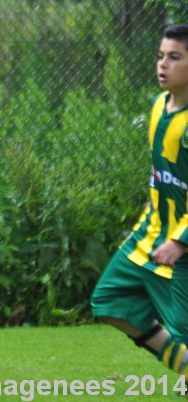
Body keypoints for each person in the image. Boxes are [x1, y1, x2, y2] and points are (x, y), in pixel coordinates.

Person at [91, 24, 188, 382]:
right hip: (149, 238)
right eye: (161, 56)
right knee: (109, 302)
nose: (163, 64)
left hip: (181, 249)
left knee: (184, 330)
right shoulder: (158, 106)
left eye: (174, 57)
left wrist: (179, 241)